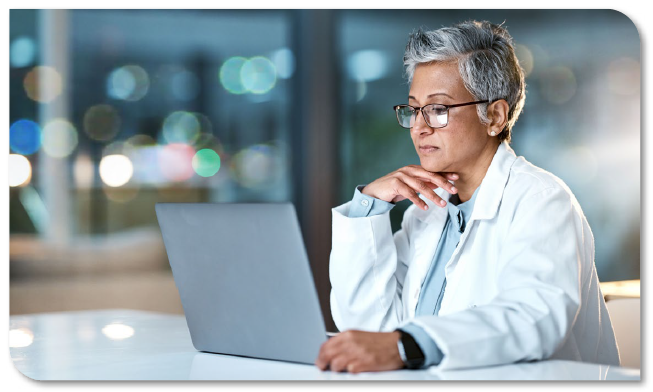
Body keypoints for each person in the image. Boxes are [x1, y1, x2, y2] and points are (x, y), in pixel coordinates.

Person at [315, 20, 620, 374]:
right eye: (413, 109)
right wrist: (368, 203)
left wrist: (408, 344)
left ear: (494, 115)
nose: (419, 126)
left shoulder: (541, 200)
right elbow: (368, 329)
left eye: (438, 109)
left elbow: (533, 320)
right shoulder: (426, 211)